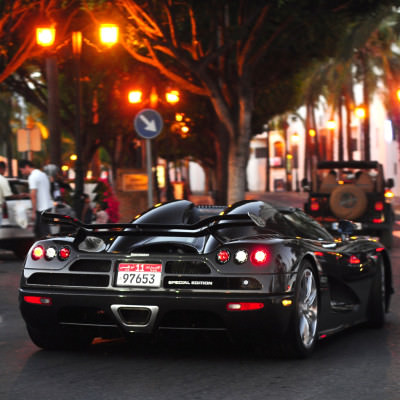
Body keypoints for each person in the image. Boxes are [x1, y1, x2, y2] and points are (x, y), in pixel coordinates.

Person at [19, 159, 54, 238]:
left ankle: (50, 245)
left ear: (26, 167)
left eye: (22, 170)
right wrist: (28, 194)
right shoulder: (42, 174)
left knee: (44, 232)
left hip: (41, 209)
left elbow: (34, 195)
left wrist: (33, 212)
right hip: (48, 206)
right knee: (39, 231)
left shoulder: (32, 177)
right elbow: (42, 191)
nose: (22, 173)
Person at [0, 161, 13, 226]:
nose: (5, 171)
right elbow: (8, 196)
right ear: (1, 169)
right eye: (5, 169)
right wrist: (20, 196)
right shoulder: (2, 179)